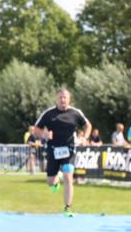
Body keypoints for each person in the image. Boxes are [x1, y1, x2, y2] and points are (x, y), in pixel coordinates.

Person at [36, 89, 90, 217]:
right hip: (53, 150)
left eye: (65, 97)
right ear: (56, 99)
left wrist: (85, 138)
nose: (62, 100)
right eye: (60, 98)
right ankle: (56, 181)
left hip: (69, 149)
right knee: (50, 181)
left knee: (68, 176)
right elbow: (35, 129)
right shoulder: (48, 114)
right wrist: (43, 134)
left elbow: (88, 125)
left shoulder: (76, 113)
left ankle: (67, 208)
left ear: (69, 99)